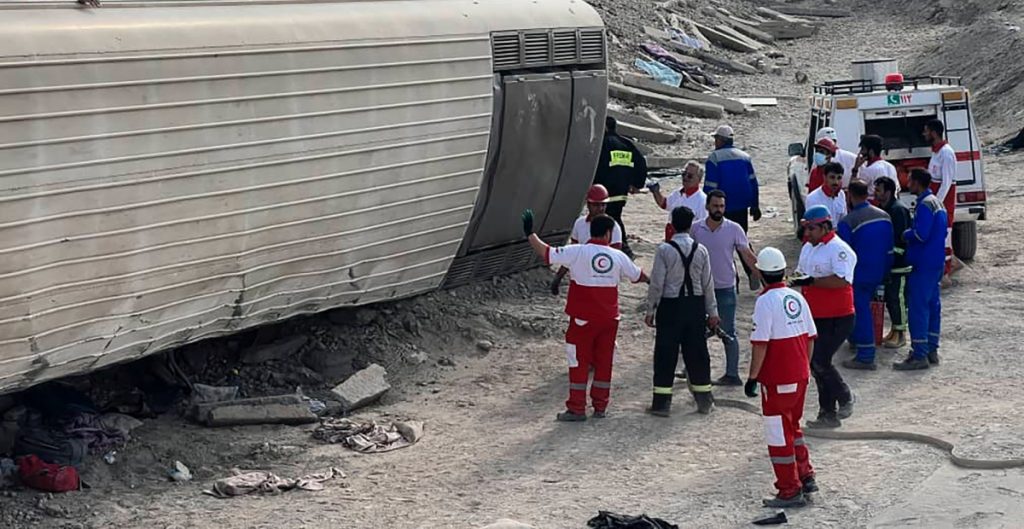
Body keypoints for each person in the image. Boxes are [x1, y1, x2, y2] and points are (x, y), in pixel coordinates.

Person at [522, 209, 648, 420]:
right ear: (608, 233)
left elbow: (546, 252)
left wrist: (530, 234)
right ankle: (600, 406)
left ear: (591, 231)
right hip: (610, 319)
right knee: (604, 362)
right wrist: (656, 282)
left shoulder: (577, 251)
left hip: (583, 319)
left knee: (578, 362)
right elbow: (638, 276)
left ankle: (577, 408)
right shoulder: (618, 256)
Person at [745, 247, 818, 509]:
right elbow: (810, 338)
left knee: (779, 435)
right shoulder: (797, 298)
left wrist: (752, 377)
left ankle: (789, 489)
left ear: (762, 274)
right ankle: (806, 475)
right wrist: (803, 369)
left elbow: (760, 344)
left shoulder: (765, 302)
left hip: (777, 380)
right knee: (793, 427)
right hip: (800, 376)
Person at [645, 206, 719, 416]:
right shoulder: (701, 250)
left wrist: (651, 309)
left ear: (672, 225)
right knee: (697, 354)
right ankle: (704, 401)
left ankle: (661, 404)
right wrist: (712, 312)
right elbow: (708, 284)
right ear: (690, 225)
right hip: (695, 307)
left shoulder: (664, 250)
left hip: (670, 307)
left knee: (665, 354)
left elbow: (657, 283)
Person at [789, 206, 856, 428]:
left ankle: (845, 395)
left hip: (838, 316)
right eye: (806, 228)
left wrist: (811, 282)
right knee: (816, 364)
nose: (807, 233)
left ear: (825, 226)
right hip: (814, 316)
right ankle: (827, 413)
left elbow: (842, 281)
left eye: (811, 228)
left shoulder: (839, 250)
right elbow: (801, 273)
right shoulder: (808, 247)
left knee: (820, 360)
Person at [692, 190, 760, 386]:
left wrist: (767, 279)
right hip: (700, 289)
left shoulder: (734, 229)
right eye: (715, 206)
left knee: (728, 331)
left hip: (725, 288)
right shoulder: (696, 230)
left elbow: (747, 255)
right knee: (696, 332)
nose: (719, 210)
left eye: (722, 206)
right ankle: (693, 371)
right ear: (707, 207)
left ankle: (732, 374)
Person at [894, 168, 948, 371]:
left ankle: (919, 355)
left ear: (917, 183)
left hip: (923, 264)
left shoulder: (925, 205)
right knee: (933, 305)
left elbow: (921, 234)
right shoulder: (937, 202)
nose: (908, 184)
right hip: (936, 262)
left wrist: (906, 234)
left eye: (910, 181)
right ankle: (931, 349)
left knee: (918, 308)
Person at [837, 179, 894, 370]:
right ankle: (856, 340)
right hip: (879, 271)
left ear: (850, 196)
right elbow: (889, 249)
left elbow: (843, 254)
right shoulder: (884, 216)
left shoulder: (848, 222)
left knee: (860, 312)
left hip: (859, 274)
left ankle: (866, 355)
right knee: (866, 310)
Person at [704, 125, 761, 291]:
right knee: (742, 240)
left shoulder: (714, 158)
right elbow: (753, 183)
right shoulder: (745, 157)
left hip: (721, 209)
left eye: (716, 139)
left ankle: (733, 279)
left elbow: (710, 187)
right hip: (742, 207)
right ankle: (753, 272)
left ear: (721, 140)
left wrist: (707, 205)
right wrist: (755, 205)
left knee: (723, 244)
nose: (715, 142)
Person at [549, 184, 624, 295]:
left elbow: (616, 258)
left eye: (603, 205)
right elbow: (572, 254)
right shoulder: (580, 224)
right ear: (588, 204)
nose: (601, 208)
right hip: (581, 278)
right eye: (596, 205)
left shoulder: (613, 227)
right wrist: (558, 277)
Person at [594, 117, 648, 259]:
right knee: (615, 215)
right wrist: (636, 184)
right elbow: (641, 164)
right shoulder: (626, 144)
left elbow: (597, 167)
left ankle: (623, 248)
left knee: (611, 218)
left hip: (606, 191)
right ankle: (618, 247)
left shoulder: (603, 144)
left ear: (605, 127)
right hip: (622, 191)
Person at [875, 178, 913, 349]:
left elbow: (900, 240)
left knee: (898, 299)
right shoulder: (886, 209)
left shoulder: (897, 210)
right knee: (890, 299)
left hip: (899, 264)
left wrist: (891, 256)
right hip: (889, 263)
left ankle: (901, 334)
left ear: (888, 192)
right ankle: (894, 331)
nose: (876, 193)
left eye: (879, 190)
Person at [924, 118, 961, 282]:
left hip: (943, 202)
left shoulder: (946, 153)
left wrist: (936, 203)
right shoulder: (936, 151)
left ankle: (945, 274)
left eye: (926, 131)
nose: (923, 134)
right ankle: (952, 263)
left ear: (933, 132)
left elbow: (946, 182)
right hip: (937, 199)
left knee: (944, 235)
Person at [649, 161, 708, 241]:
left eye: (690, 176)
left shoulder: (702, 200)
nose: (685, 178)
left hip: (688, 242)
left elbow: (704, 228)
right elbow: (664, 204)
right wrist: (656, 192)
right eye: (684, 174)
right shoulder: (678, 193)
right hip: (671, 238)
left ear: (699, 179)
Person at [851, 134, 899, 200]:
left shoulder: (869, 170)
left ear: (871, 151)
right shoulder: (891, 167)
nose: (861, 152)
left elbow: (854, 190)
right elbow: (897, 191)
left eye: (863, 149)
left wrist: (856, 168)